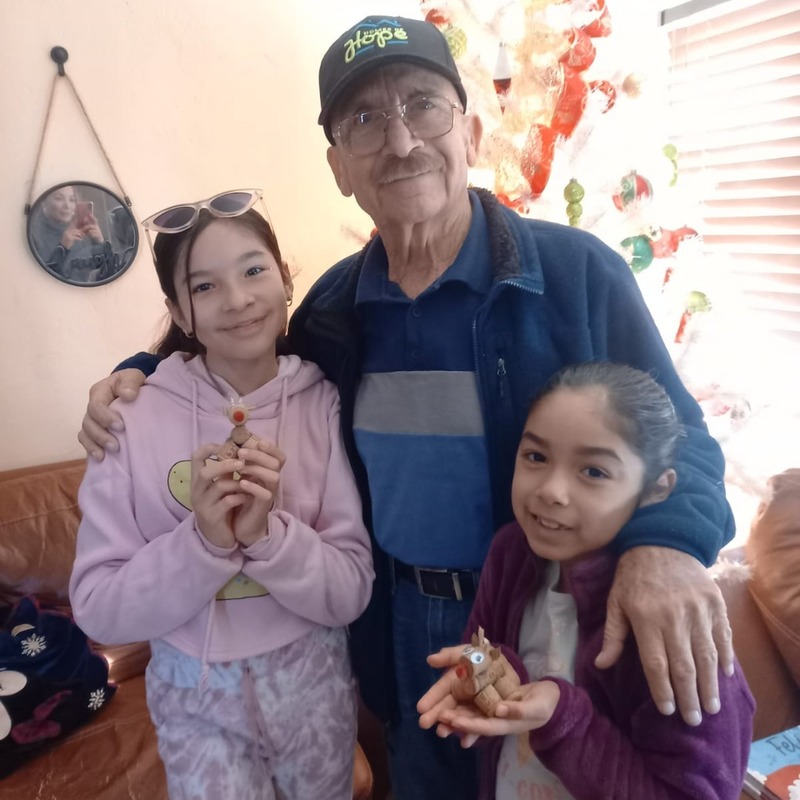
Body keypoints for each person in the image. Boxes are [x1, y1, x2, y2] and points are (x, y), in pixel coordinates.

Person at [77, 16, 735, 800]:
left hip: (535, 615)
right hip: (402, 624)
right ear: (339, 167)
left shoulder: (576, 276)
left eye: (423, 104)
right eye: (364, 120)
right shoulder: (332, 311)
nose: (399, 141)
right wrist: (141, 373)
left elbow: (680, 439)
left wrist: (665, 546)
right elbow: (240, 357)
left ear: (472, 131)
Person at [68, 190, 374, 800]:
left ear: (286, 280)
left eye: (254, 270)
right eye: (204, 286)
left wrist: (268, 537)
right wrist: (202, 543)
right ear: (178, 311)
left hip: (315, 691)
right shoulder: (129, 419)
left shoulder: (327, 404)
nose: (237, 299)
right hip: (195, 698)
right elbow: (98, 608)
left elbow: (351, 590)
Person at [417, 361, 754, 800]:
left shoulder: (664, 614)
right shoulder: (511, 552)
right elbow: (485, 653)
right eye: (536, 456)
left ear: (656, 489)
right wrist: (482, 673)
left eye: (593, 471)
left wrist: (562, 718)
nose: (551, 490)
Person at [28, 185, 108, 281]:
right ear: (44, 202)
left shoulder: (82, 232)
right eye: (59, 198)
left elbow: (104, 273)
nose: (67, 205)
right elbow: (39, 280)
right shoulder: (34, 235)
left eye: (72, 200)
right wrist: (62, 247)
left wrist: (99, 243)